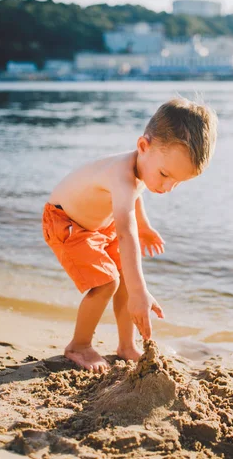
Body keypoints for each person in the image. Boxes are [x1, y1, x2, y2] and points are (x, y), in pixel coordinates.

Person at [42, 97, 218, 372]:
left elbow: (137, 195)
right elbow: (125, 233)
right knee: (107, 283)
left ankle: (126, 345)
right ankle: (79, 346)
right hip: (67, 224)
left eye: (178, 182)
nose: (168, 187)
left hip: (99, 225)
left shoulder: (145, 166)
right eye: (165, 175)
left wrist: (145, 226)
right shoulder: (121, 174)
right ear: (143, 146)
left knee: (126, 274)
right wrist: (140, 292)